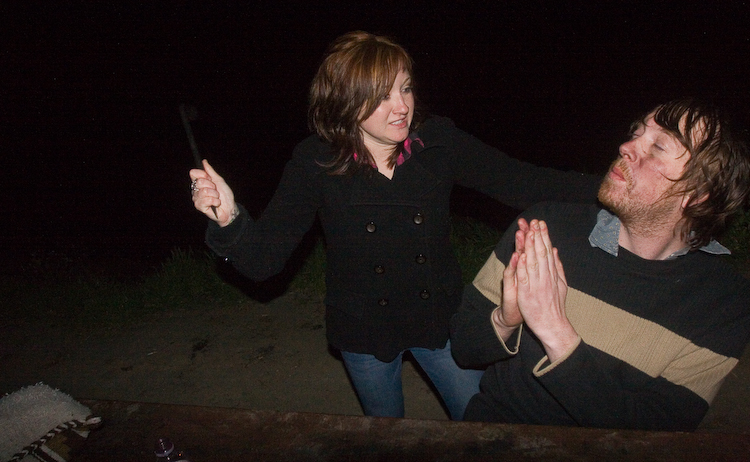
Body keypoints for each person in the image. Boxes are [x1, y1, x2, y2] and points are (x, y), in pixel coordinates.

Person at [189, 31, 599, 420]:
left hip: (439, 319)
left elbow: (523, 181)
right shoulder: (316, 162)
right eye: (381, 96)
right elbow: (263, 260)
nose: (401, 106)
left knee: (482, 419)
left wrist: (610, 189)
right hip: (364, 329)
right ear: (346, 102)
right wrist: (230, 218)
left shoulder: (438, 143)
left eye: (405, 88)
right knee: (386, 429)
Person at [450, 98, 750, 430]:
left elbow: (661, 434)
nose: (626, 147)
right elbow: (464, 349)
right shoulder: (546, 230)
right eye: (636, 133)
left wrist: (557, 334)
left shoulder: (725, 303)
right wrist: (505, 320)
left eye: (658, 147)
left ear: (699, 193)